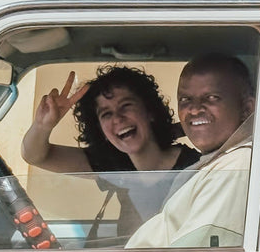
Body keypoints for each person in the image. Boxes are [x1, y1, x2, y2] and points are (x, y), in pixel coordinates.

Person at [125, 53, 255, 249]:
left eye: (211, 98)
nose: (194, 110)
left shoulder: (236, 166)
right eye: (185, 100)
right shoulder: (217, 163)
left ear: (247, 109)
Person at [21, 66, 200, 174]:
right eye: (106, 114)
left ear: (150, 111)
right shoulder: (112, 163)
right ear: (100, 130)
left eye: (126, 106)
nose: (117, 118)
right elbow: (35, 156)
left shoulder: (196, 168)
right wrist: (42, 126)